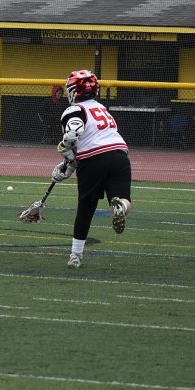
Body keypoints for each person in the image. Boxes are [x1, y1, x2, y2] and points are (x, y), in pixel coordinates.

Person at [51, 69, 132, 269]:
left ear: (74, 91)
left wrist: (67, 158)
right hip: (120, 156)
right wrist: (68, 164)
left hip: (93, 160)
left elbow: (73, 134)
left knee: (86, 209)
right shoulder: (103, 108)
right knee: (123, 198)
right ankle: (120, 207)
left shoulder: (73, 110)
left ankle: (75, 256)